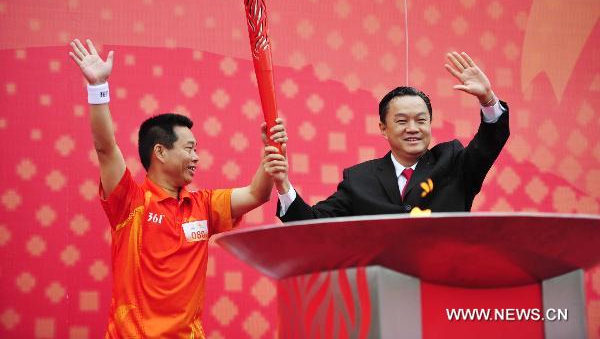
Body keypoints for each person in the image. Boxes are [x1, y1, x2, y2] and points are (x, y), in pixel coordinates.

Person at [68, 39, 288, 338]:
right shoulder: (130, 202)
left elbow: (256, 194)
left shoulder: (203, 205)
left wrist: (271, 150)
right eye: (189, 148)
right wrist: (98, 89)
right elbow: (105, 149)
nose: (197, 157)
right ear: (160, 152)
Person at [272, 52, 509, 221]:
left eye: (421, 120)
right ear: (383, 128)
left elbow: (489, 142)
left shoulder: (454, 163)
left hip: (441, 282)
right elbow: (312, 224)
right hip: (382, 285)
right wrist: (283, 184)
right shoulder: (359, 179)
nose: (413, 128)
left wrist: (487, 99)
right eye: (402, 121)